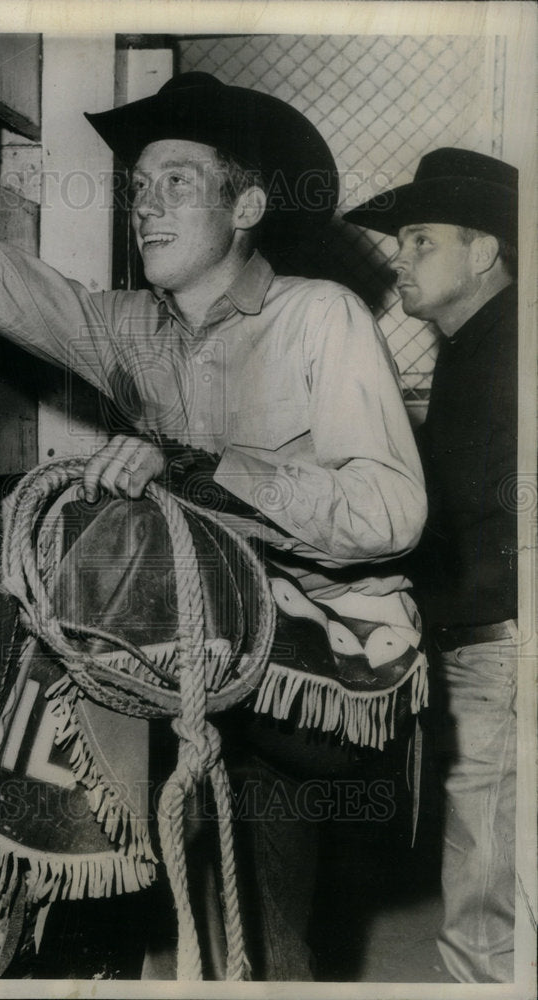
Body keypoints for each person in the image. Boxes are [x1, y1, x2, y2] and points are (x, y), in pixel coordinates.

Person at [0, 51, 428, 980]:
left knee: (122, 540)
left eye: (177, 183)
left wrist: (199, 470)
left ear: (246, 209)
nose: (145, 205)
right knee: (270, 954)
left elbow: (395, 511)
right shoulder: (129, 327)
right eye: (138, 188)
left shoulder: (322, 318)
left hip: (336, 666)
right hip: (202, 668)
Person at [344, 147, 519, 983]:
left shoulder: (511, 351)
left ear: (483, 251)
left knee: (486, 889)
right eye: (400, 243)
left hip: (505, 645)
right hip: (484, 639)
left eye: (421, 241)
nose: (400, 260)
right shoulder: (474, 346)